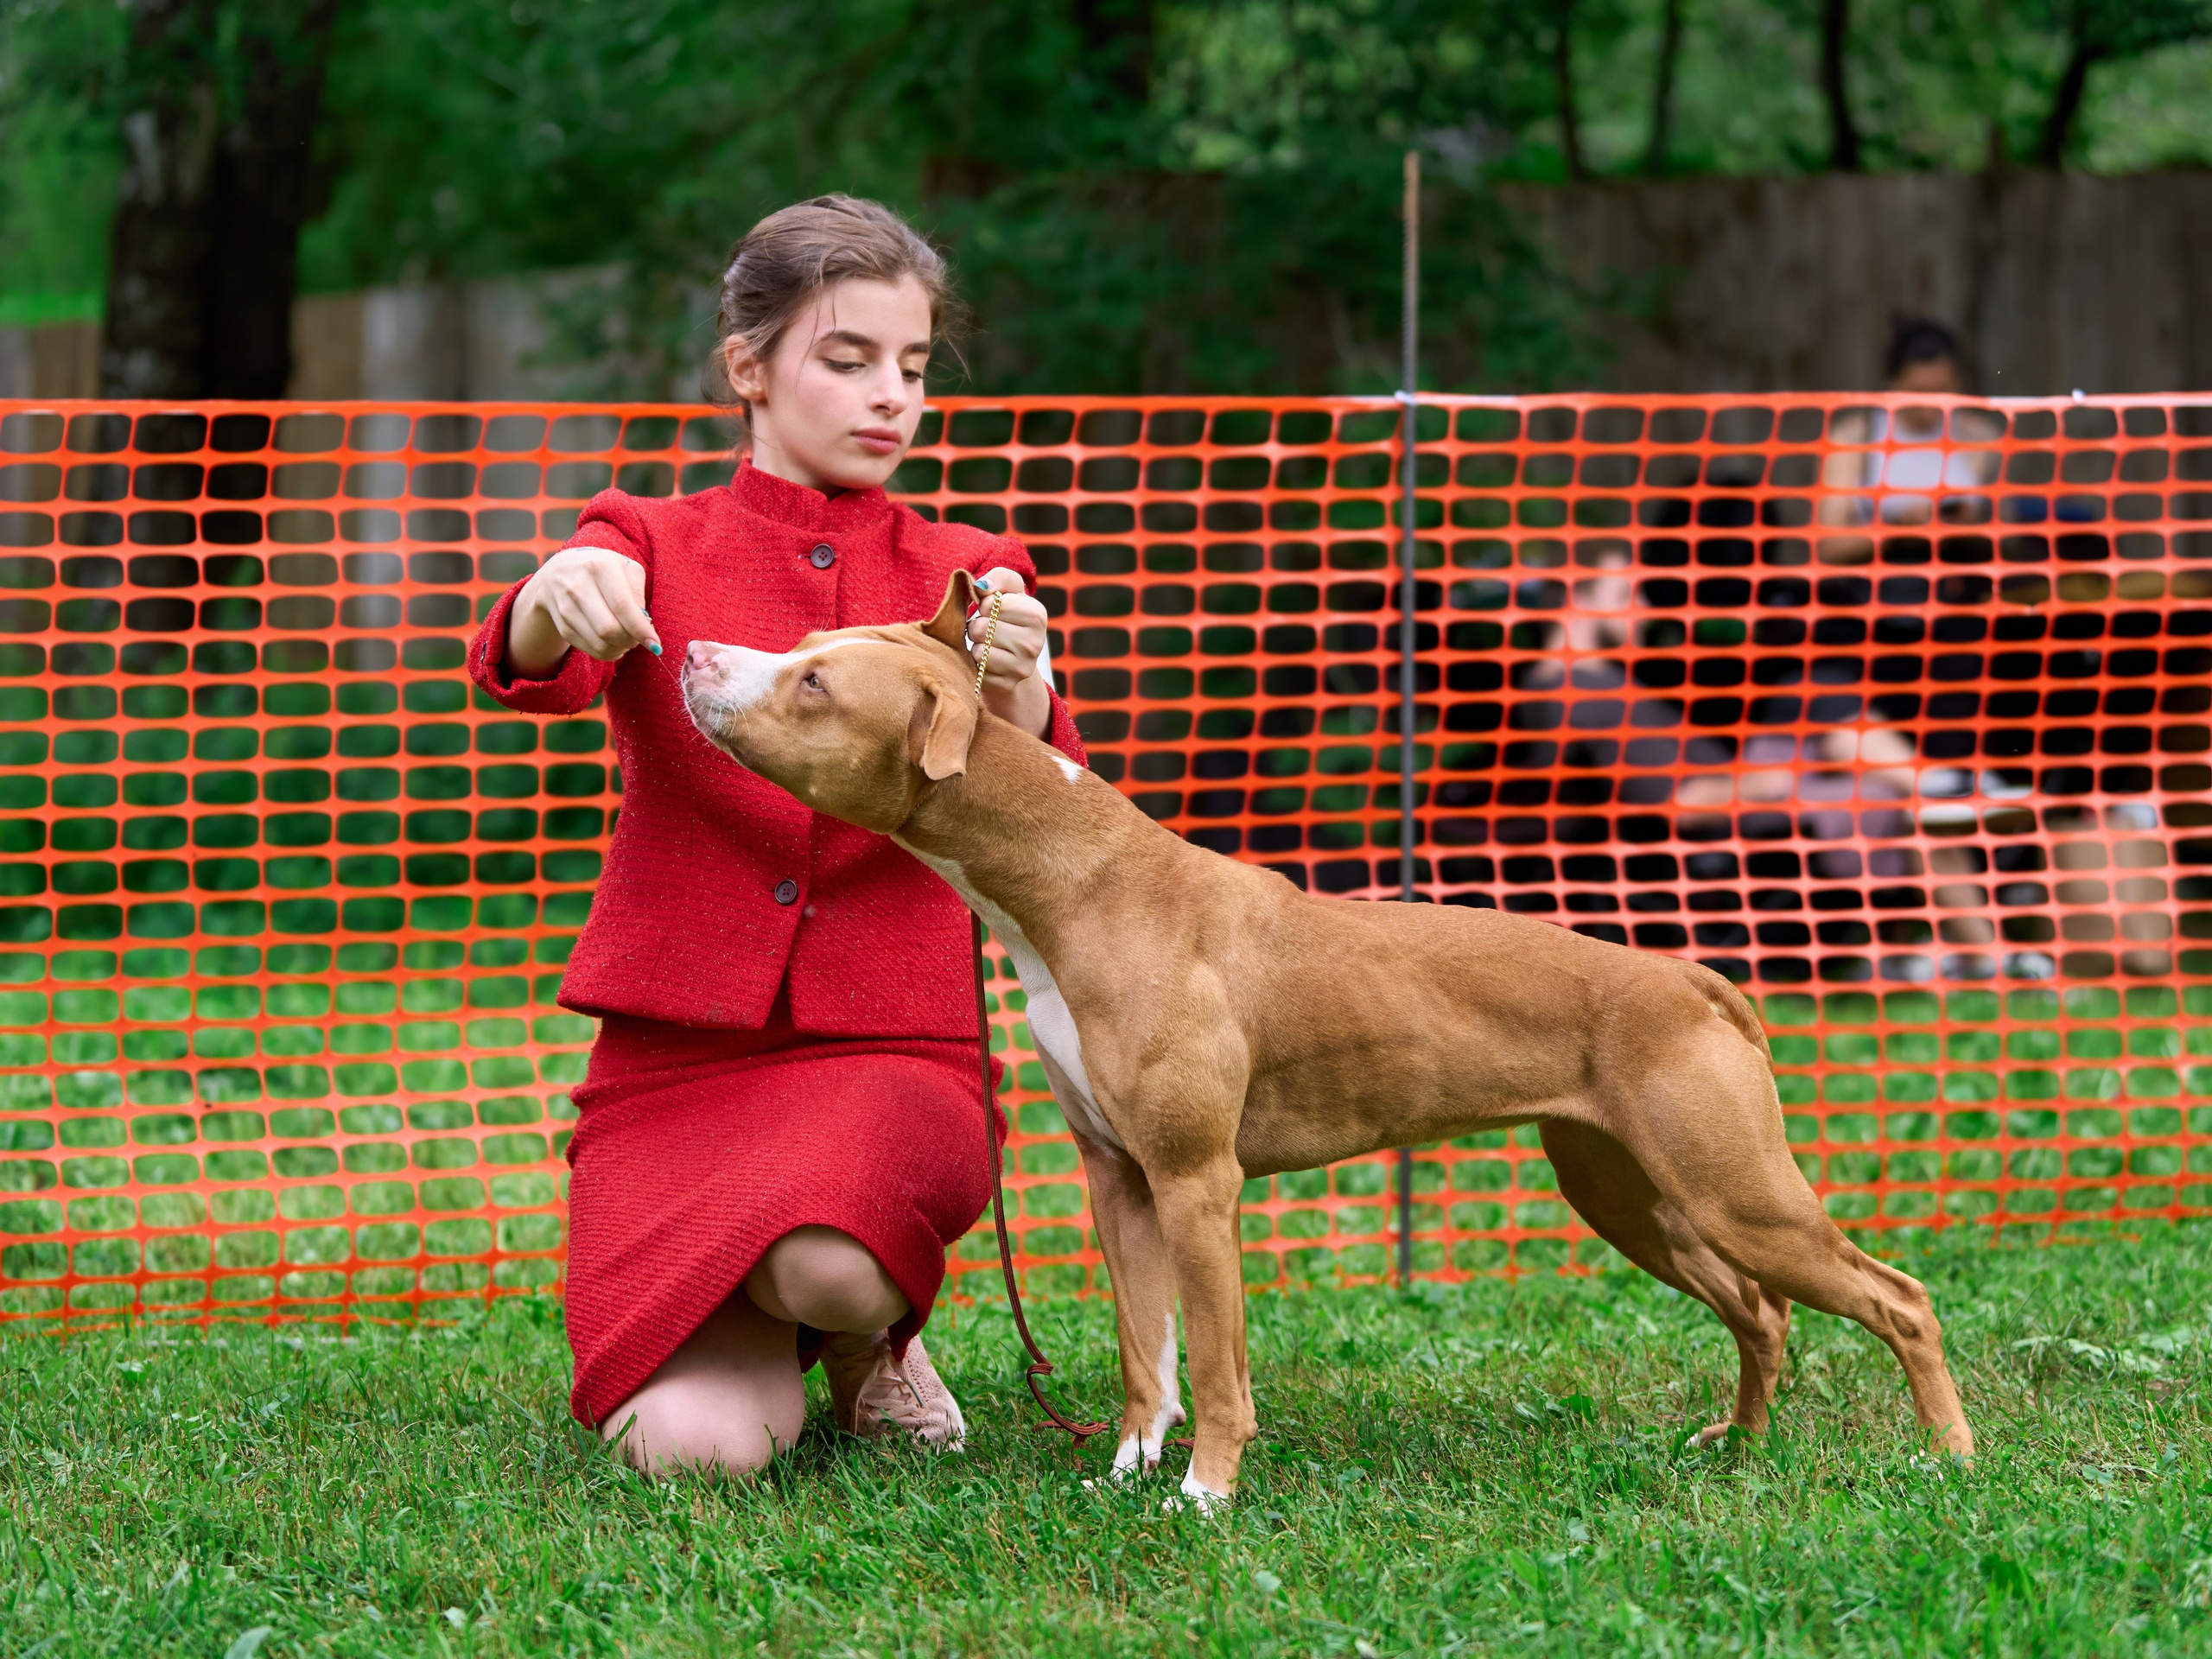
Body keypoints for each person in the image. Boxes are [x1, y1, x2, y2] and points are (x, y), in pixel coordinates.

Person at [466, 194, 1087, 1477]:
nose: (891, 398)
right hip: (673, 1068)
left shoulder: (971, 570)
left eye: (912, 367)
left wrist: (1020, 690)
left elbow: (1046, 794)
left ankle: (868, 1334)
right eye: (847, 360)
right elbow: (533, 667)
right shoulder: (643, 538)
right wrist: (548, 595)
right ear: (748, 368)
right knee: (695, 1454)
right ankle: (763, 1315)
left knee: (836, 1264)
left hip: (895, 1051)